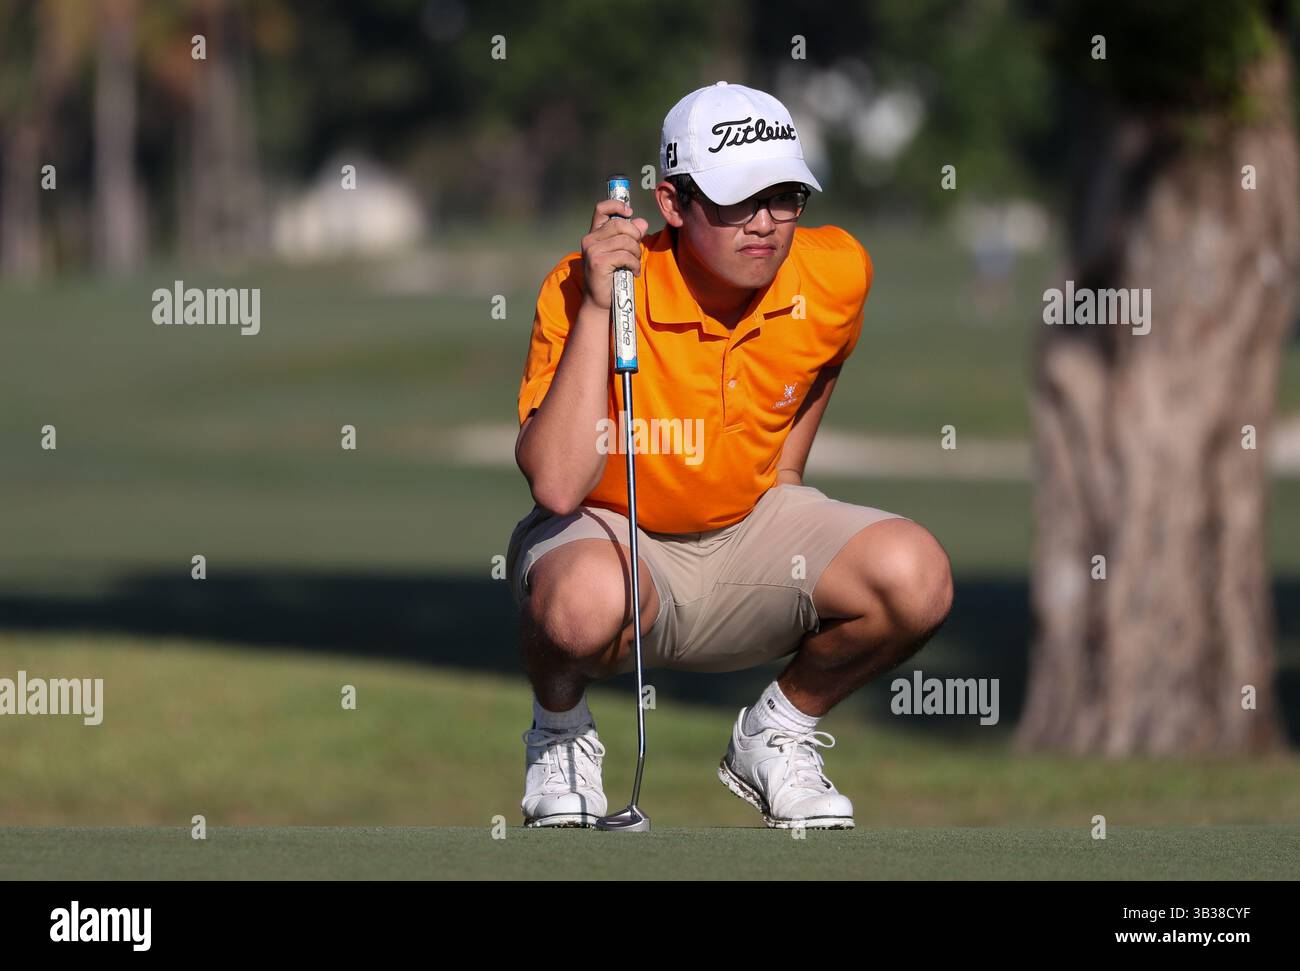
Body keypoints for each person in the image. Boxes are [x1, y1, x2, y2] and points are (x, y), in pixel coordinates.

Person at [507, 81, 952, 829]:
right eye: (738, 201)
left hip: (749, 530)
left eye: (784, 197)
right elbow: (554, 485)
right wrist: (595, 305)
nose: (767, 224)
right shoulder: (583, 287)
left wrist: (783, 479)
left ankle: (775, 732)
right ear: (673, 204)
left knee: (918, 575)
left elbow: (822, 362)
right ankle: (560, 734)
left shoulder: (836, 272)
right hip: (615, 534)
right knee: (582, 603)